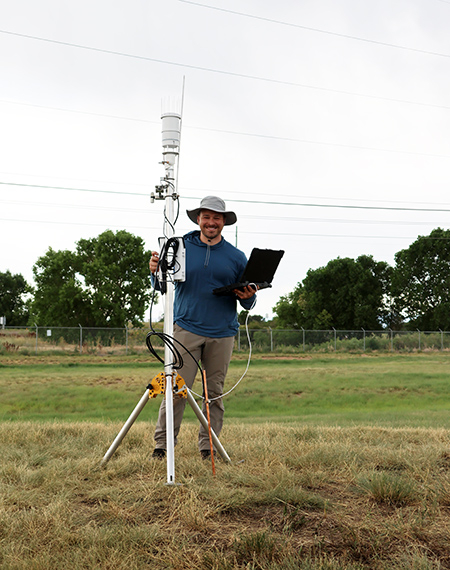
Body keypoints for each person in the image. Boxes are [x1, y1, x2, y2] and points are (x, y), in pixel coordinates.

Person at [149, 196, 256, 460]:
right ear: (198, 219)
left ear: (224, 222)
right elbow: (161, 285)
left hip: (223, 334)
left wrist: (249, 296)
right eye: (206, 217)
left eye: (217, 218)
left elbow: (249, 302)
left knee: (214, 394)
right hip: (185, 330)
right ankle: (163, 447)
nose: (211, 222)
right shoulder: (179, 246)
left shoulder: (236, 257)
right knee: (175, 390)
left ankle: (209, 448)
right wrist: (154, 271)